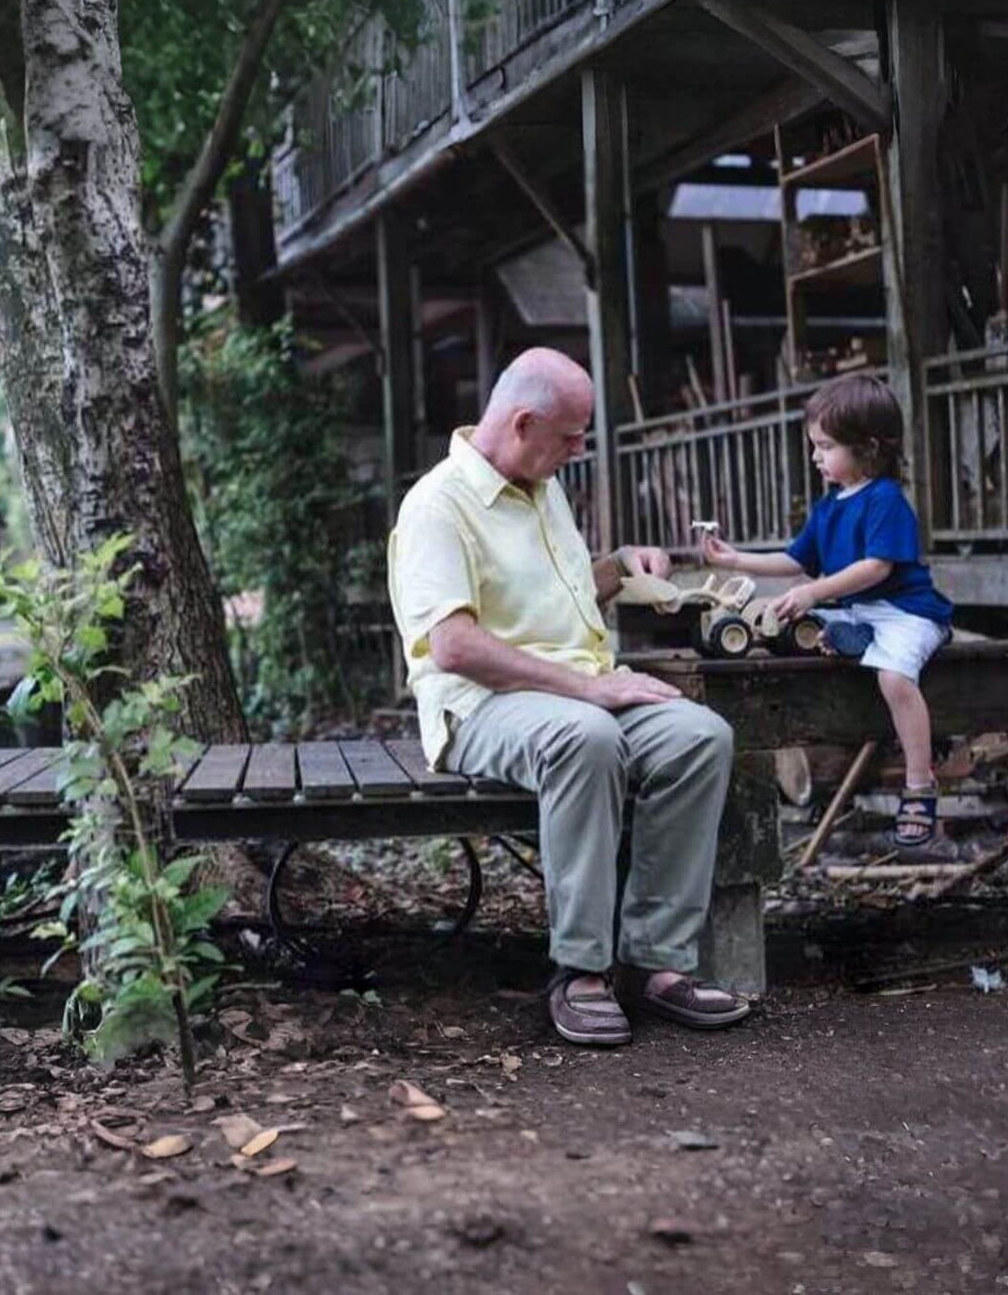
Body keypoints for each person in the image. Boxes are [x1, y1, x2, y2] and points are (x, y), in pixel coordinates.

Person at [387, 348, 750, 1047]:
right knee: (585, 737)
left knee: (699, 735)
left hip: (578, 692)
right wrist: (588, 689)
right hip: (480, 704)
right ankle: (580, 970)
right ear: (521, 422)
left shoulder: (539, 483)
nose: (579, 450)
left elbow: (560, 591)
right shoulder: (437, 504)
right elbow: (455, 645)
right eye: (571, 435)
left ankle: (656, 961)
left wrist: (619, 567)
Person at [701, 372, 953, 847]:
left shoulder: (885, 500)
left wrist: (815, 593)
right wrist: (735, 558)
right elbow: (796, 559)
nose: (816, 456)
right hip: (856, 612)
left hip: (905, 612)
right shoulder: (829, 505)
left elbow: (877, 568)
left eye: (826, 445)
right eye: (814, 445)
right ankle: (845, 638)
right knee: (781, 623)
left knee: (894, 678)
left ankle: (919, 784)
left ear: (869, 448)